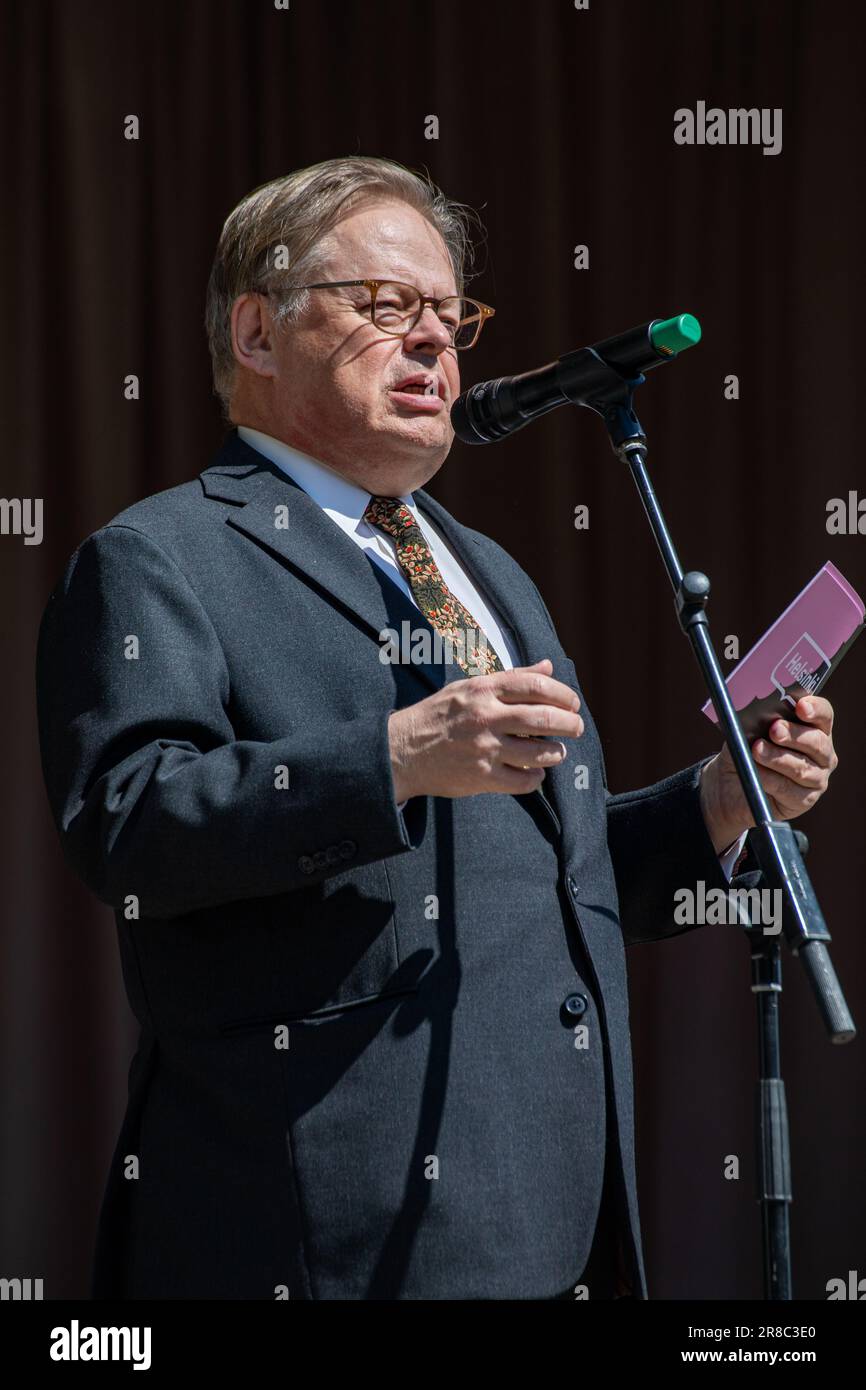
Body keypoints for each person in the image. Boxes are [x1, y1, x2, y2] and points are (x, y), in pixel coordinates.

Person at [35, 156, 838, 1300]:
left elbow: (547, 875)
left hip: (553, 1216)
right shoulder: (160, 558)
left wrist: (714, 800)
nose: (433, 343)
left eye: (450, 315)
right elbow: (128, 828)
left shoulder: (486, 569)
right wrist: (397, 755)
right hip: (325, 1224)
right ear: (258, 335)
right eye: (385, 307)